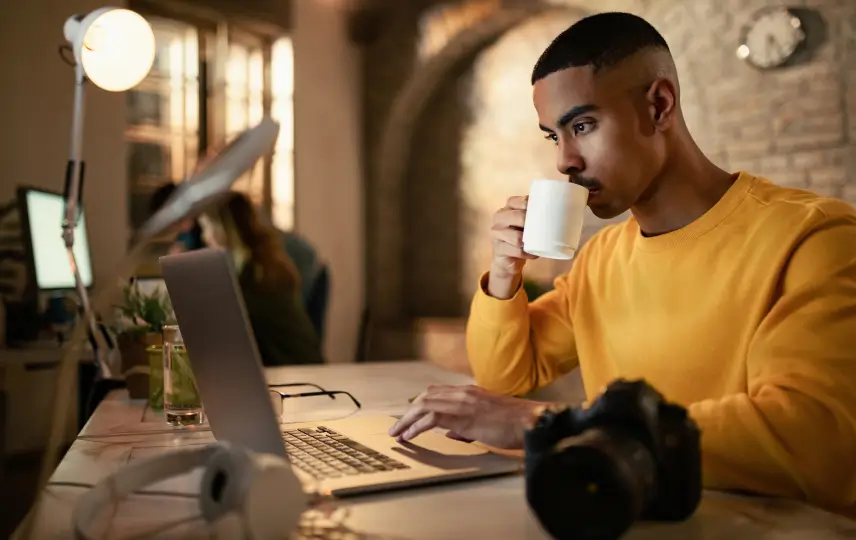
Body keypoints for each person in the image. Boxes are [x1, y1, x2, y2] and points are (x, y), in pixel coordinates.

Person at [389, 12, 856, 516]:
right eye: (554, 136)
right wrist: (504, 276)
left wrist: (546, 426)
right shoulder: (600, 260)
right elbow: (506, 375)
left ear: (659, 106)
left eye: (582, 125)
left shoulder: (815, 238)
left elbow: (809, 438)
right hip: (629, 515)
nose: (564, 161)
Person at [199, 191, 324, 366]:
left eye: (208, 228)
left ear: (225, 228)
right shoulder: (262, 260)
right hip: (294, 363)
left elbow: (233, 325)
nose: (205, 237)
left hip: (295, 368)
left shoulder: (255, 272)